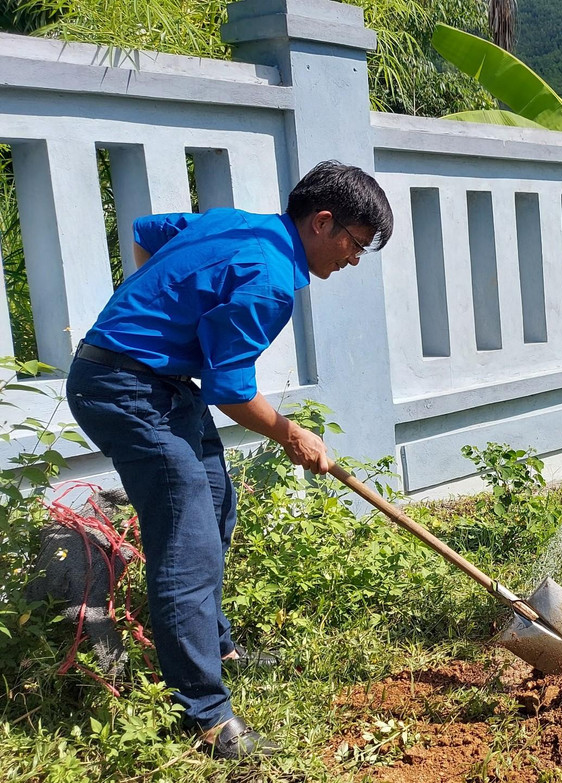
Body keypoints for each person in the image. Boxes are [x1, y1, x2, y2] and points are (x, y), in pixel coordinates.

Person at [67, 161, 393, 758]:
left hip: (158, 384)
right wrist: (293, 435)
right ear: (323, 222)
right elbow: (231, 391)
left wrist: (166, 323)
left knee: (215, 506)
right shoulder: (268, 279)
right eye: (356, 243)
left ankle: (217, 648)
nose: (354, 259)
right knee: (187, 544)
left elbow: (147, 230)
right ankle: (205, 717)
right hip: (124, 389)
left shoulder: (235, 224)